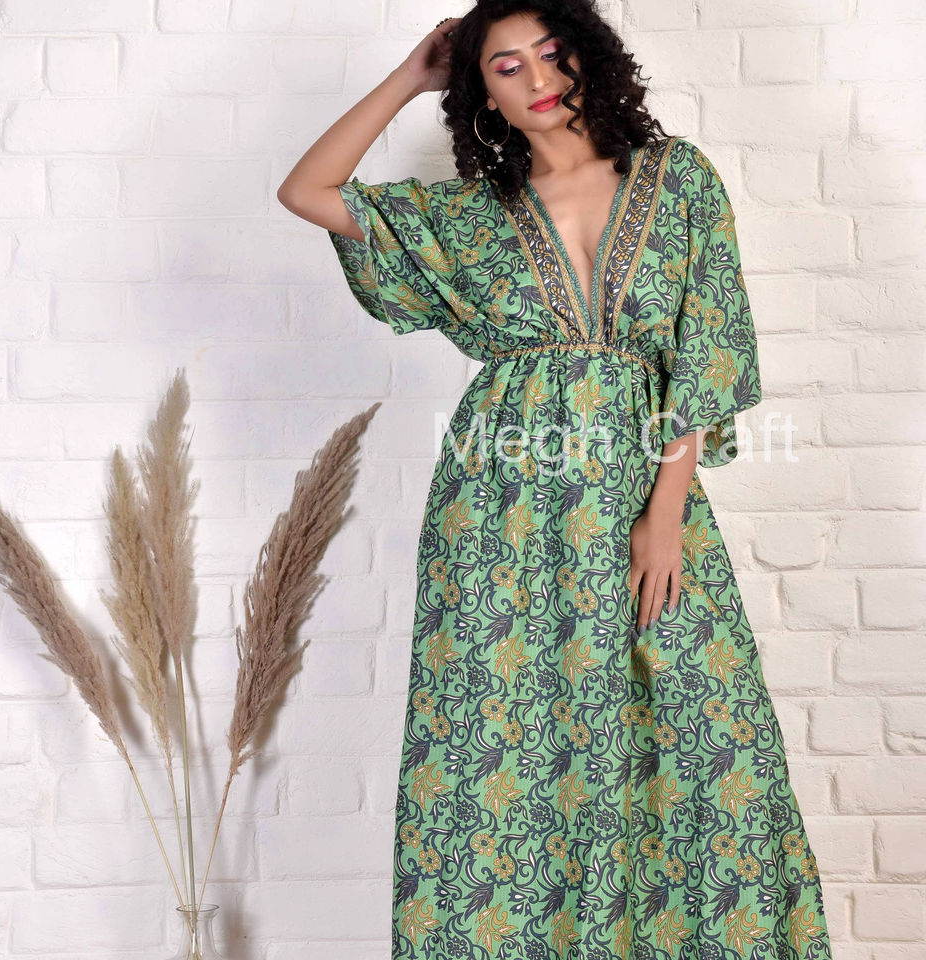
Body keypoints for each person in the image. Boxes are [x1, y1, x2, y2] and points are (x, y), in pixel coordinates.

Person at [278, 2, 833, 958]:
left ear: (586, 55)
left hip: (642, 500)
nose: (537, 77)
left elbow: (707, 350)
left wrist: (665, 516)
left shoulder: (678, 178)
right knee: (504, 759)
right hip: (498, 518)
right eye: (504, 66)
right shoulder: (468, 216)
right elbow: (307, 190)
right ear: (480, 93)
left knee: (707, 746)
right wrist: (411, 77)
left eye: (549, 52)